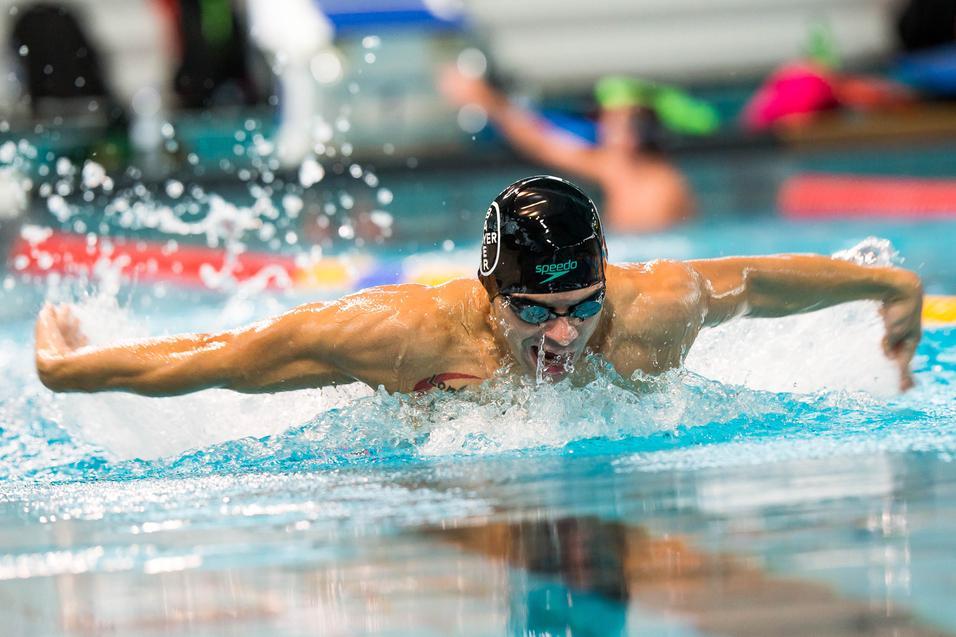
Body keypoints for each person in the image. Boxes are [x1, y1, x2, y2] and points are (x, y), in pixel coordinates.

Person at [35, 176, 923, 396]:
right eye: (536, 311)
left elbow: (761, 283)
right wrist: (74, 368)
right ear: (491, 294)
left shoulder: (653, 309)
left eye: (583, 309)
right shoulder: (405, 334)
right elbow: (231, 355)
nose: (564, 338)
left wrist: (885, 283)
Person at [440, 69, 694, 233]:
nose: (605, 128)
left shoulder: (662, 188)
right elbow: (541, 142)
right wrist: (487, 99)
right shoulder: (616, 168)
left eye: (614, 120)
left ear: (639, 130)